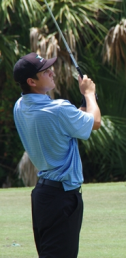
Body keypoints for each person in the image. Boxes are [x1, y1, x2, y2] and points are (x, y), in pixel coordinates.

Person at [13, 52, 101, 258]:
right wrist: (89, 95)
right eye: (45, 71)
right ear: (31, 81)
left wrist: (85, 101)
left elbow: (71, 122)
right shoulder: (58, 109)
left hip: (44, 197)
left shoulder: (20, 106)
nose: (52, 72)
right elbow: (95, 123)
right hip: (62, 198)